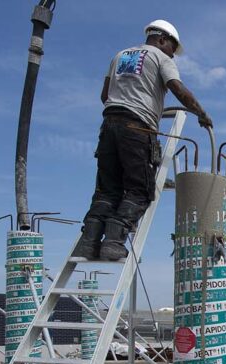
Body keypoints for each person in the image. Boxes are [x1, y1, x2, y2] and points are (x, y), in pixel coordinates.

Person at [74, 20, 213, 262]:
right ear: (161, 39)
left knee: (107, 190)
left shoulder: (120, 56)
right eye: (172, 47)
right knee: (140, 189)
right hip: (138, 128)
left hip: (109, 126)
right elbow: (177, 89)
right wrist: (201, 113)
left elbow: (105, 95)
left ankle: (89, 243)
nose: (173, 54)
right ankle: (114, 242)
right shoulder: (161, 58)